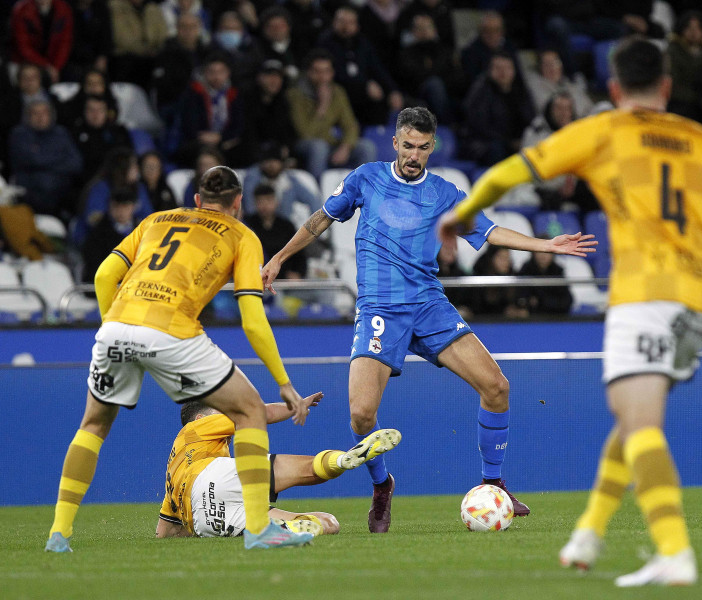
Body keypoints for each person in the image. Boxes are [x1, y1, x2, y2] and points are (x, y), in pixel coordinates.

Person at [438, 37, 702, 586]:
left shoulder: (603, 131)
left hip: (648, 289)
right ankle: (589, 530)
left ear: (612, 89)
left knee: (640, 418)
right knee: (636, 410)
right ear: (668, 87)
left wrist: (458, 214)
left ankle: (673, 550)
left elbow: (510, 172)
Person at [261, 107, 597, 533]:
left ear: (431, 147)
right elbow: (320, 220)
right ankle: (382, 486)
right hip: (380, 309)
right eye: (407, 146)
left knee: (496, 387)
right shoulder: (367, 177)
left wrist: (546, 245)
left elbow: (489, 232)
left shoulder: (444, 193)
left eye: (422, 147)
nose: (413, 155)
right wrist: (277, 259)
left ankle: (494, 484)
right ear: (395, 143)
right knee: (362, 415)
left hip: (428, 305)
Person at [46, 165, 320, 553]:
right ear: (238, 203)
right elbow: (253, 320)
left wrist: (114, 330)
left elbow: (105, 276)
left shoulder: (155, 220)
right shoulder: (242, 235)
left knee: (93, 424)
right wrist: (284, 382)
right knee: (250, 412)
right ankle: (259, 530)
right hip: (173, 330)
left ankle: (59, 533)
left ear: (196, 200)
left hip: (116, 327)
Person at [156, 399, 401, 539]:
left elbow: (165, 532)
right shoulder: (196, 429)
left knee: (328, 523)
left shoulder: (174, 470)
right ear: (201, 418)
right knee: (308, 468)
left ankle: (293, 528)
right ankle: (343, 460)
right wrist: (295, 406)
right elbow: (255, 413)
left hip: (209, 522)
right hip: (215, 476)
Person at [288, 50, 377, 181]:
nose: (322, 76)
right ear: (308, 72)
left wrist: (346, 146)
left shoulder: (337, 92)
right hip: (303, 146)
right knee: (319, 147)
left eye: (326, 71)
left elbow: (350, 125)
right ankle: (318, 193)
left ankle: (363, 194)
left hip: (330, 143)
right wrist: (322, 106)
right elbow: (305, 133)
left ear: (332, 73)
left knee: (366, 147)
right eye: (317, 71)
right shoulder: (295, 94)